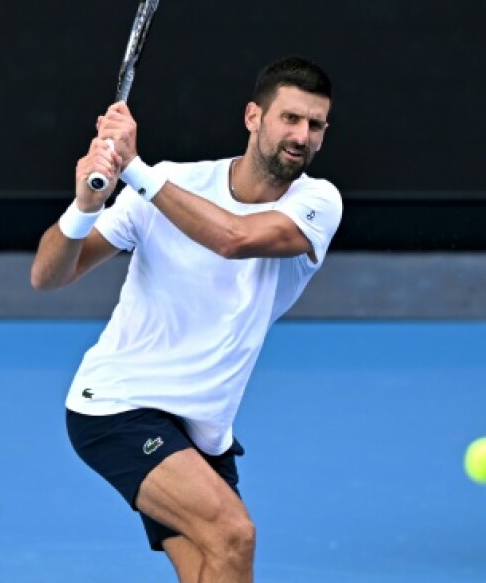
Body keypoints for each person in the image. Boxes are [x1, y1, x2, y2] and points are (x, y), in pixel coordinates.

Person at [31, 57, 342, 582]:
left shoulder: (317, 202)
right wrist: (84, 207)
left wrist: (134, 170)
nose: (301, 136)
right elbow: (49, 274)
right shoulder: (172, 183)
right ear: (253, 117)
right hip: (118, 407)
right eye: (289, 118)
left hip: (202, 428)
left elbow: (233, 239)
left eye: (315, 125)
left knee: (213, 561)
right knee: (233, 535)